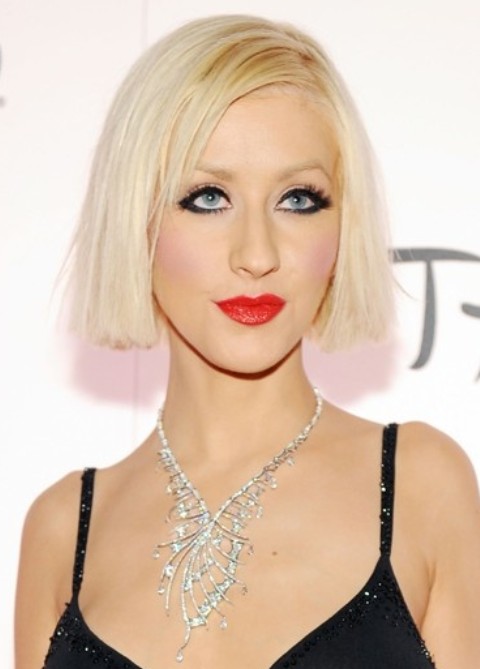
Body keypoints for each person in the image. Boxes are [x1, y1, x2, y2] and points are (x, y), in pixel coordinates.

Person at [14, 14, 480, 669]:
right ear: (134, 217)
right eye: (208, 198)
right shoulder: (63, 530)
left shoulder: (422, 485)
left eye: (298, 199)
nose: (257, 254)